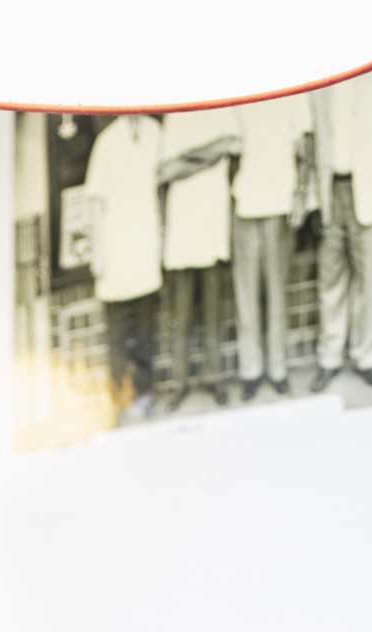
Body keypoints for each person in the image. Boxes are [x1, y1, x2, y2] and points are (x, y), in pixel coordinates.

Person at [311, 65, 372, 391]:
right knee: (331, 280)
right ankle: (329, 358)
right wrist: (314, 199)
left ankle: (366, 357)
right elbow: (314, 135)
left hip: (367, 189)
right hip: (331, 190)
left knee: (370, 280)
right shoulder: (318, 68)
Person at [81, 114, 164, 418]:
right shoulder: (106, 142)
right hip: (115, 252)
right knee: (116, 338)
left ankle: (144, 395)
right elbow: (93, 203)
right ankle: (116, 402)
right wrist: (97, 255)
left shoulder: (156, 132)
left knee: (145, 334)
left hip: (144, 248)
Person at [230, 95, 312, 399]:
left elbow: (305, 147)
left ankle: (277, 369)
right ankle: (251, 370)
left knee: (277, 293)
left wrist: (301, 194)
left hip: (279, 202)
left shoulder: (294, 88)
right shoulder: (237, 89)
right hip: (245, 204)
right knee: (246, 294)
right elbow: (232, 146)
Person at [158, 108, 238, 409]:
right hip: (181, 231)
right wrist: (211, 152)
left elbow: (232, 143)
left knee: (214, 314)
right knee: (180, 318)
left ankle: (214, 379)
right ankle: (179, 383)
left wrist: (186, 160)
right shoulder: (174, 116)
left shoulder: (222, 109)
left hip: (212, 227)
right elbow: (165, 170)